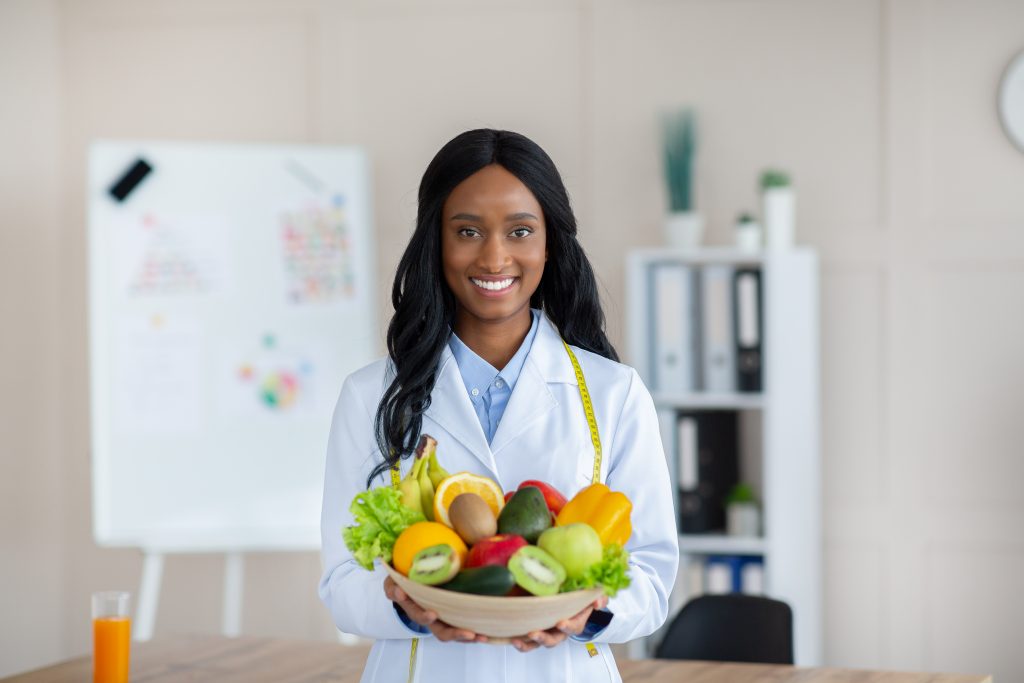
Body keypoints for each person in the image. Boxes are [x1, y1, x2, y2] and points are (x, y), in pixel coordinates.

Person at [319, 129, 678, 682]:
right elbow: (343, 580)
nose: (494, 256)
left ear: (549, 243)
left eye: (520, 231)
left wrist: (589, 613)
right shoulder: (370, 395)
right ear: (435, 243)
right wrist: (402, 604)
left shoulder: (614, 393)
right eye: (467, 231)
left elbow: (652, 576)